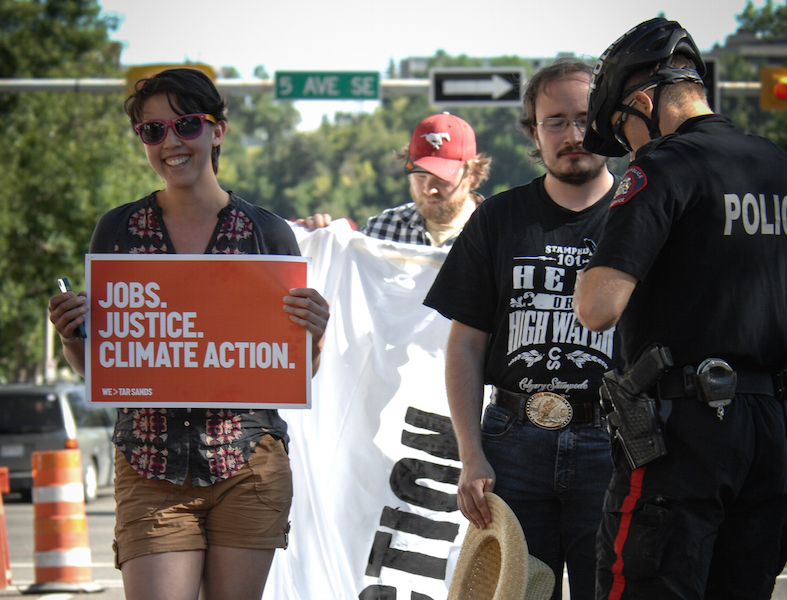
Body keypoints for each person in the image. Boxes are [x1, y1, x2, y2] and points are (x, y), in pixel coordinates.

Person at [47, 68, 330, 600]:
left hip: (248, 460)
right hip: (150, 463)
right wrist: (70, 338)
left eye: (187, 125)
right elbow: (111, 370)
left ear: (216, 130)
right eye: (152, 131)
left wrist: (313, 335)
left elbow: (294, 370)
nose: (171, 142)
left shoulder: (268, 233)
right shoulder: (118, 231)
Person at [575, 18, 787, 600]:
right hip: (769, 431)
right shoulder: (775, 162)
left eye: (623, 130)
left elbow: (597, 308)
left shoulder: (662, 166)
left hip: (684, 433)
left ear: (643, 101)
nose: (628, 150)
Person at [423, 58, 620, 600]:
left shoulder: (640, 212)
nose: (573, 134)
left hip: (616, 442)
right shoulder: (499, 218)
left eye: (585, 118)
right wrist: (471, 453)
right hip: (512, 444)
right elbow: (465, 343)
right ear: (534, 132)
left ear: (606, 120)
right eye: (554, 121)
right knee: (518, 593)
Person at [296, 112, 491, 247]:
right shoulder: (381, 230)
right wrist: (318, 237)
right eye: (420, 176)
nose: (428, 189)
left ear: (471, 175)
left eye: (442, 178)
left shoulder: (496, 233)